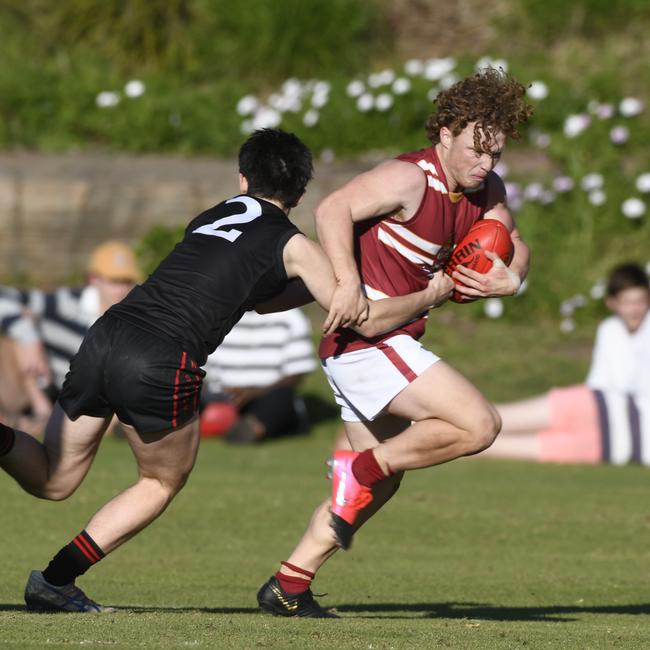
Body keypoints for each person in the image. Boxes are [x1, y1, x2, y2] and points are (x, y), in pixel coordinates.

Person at [0, 128, 450, 613]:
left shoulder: (212, 215)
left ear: (242, 178)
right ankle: (55, 579)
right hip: (161, 357)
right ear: (300, 192)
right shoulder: (295, 246)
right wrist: (432, 293)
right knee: (159, 481)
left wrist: (320, 282)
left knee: (54, 480)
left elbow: (253, 296)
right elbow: (358, 317)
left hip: (107, 335)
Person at [256, 68, 533, 618]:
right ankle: (356, 469)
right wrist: (346, 278)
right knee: (479, 426)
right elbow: (333, 208)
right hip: (367, 340)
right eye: (477, 150)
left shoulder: (486, 191)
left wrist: (512, 277)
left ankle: (289, 583)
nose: (485, 164)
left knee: (380, 485)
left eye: (495, 155)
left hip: (385, 342)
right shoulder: (410, 178)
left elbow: (512, 241)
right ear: (447, 133)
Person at [483, 262, 650, 464]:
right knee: (499, 417)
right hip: (597, 406)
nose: (634, 309)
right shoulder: (609, 329)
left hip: (621, 441)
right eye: (628, 302)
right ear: (612, 302)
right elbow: (598, 382)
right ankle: (444, 418)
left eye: (639, 301)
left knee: (493, 446)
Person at [0, 241, 142, 433]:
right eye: (114, 281)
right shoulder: (63, 303)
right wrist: (28, 338)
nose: (121, 290)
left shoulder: (134, 316)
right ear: (94, 279)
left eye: (127, 282)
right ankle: (33, 415)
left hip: (94, 403)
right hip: (45, 390)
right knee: (14, 338)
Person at [200, 307, 316, 443]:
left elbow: (296, 375)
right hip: (219, 395)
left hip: (267, 393)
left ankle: (251, 428)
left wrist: (253, 393)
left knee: (282, 397)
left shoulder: (290, 315)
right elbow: (201, 366)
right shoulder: (217, 311)